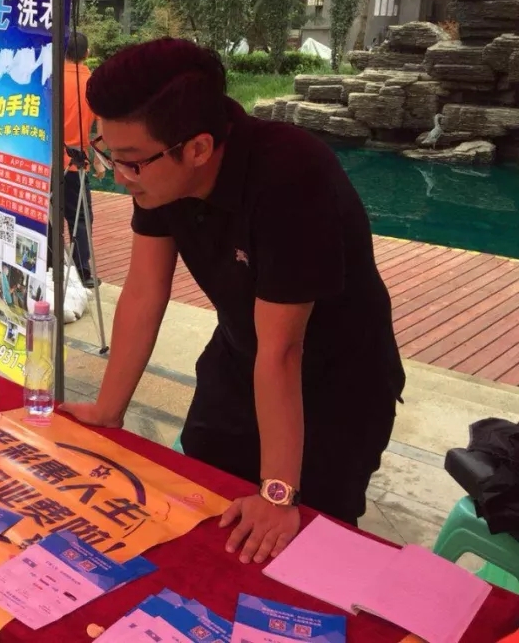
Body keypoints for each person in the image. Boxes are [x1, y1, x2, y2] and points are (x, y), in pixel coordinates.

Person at [62, 38, 405, 563]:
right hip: (239, 361)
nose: (118, 174)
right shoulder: (159, 173)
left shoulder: (291, 174)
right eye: (109, 153)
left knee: (299, 544)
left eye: (129, 162)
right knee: (199, 506)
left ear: (198, 149)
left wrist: (278, 494)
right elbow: (145, 290)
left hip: (336, 386)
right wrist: (107, 412)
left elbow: (283, 350)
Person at [56, 31, 102, 286]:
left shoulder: (50, 79)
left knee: (48, 213)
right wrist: (98, 159)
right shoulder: (92, 83)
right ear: (87, 53)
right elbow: (101, 126)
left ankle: (50, 264)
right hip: (76, 162)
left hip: (48, 161)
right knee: (80, 217)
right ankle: (82, 271)